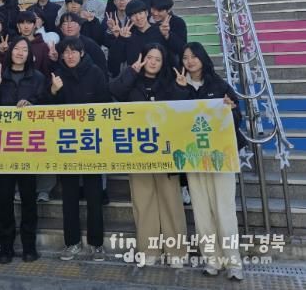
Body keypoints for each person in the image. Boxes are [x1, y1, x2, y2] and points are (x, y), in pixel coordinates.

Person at [109, 44, 188, 267]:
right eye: (149, 57)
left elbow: (182, 111)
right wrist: (131, 72)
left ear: (163, 63)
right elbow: (114, 91)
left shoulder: (170, 83)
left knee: (171, 202)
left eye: (158, 59)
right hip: (138, 152)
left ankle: (176, 252)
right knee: (143, 203)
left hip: (166, 152)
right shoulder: (131, 81)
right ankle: (148, 250)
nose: (153, 62)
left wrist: (182, 89)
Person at [176, 42, 246, 281]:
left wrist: (231, 109)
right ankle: (212, 260)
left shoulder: (219, 85)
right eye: (185, 57)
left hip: (220, 158)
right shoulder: (178, 86)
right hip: (193, 158)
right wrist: (182, 90)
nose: (189, 61)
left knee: (224, 210)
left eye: (194, 56)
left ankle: (233, 262)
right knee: (202, 211)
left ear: (203, 58)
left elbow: (236, 118)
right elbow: (174, 118)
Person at [0, 37, 46, 264]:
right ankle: (6, 247)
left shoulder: (37, 77)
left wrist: (32, 106)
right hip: (3, 146)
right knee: (4, 199)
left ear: (30, 54)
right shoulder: (0, 76)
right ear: (10, 52)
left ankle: (29, 246)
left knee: (29, 198)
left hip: (29, 146)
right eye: (17, 49)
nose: (20, 52)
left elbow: (45, 104)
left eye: (25, 49)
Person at [48, 37, 109, 262]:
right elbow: (48, 112)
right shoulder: (57, 75)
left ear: (82, 53)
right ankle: (71, 242)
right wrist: (54, 92)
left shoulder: (95, 73)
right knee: (69, 196)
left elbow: (105, 104)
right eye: (66, 52)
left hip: (91, 142)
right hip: (66, 144)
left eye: (74, 51)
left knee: (94, 195)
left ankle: (96, 244)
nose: (70, 55)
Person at [107, 0, 165, 74]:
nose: (138, 18)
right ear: (129, 18)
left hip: (159, 76)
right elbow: (114, 61)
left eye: (140, 13)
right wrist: (120, 39)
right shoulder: (128, 35)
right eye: (133, 15)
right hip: (135, 77)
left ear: (146, 13)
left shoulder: (160, 31)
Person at [54, 12, 108, 79]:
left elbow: (101, 68)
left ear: (80, 26)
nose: (69, 26)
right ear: (61, 29)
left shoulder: (90, 45)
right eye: (65, 23)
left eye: (73, 22)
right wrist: (54, 60)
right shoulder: (58, 47)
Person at [150, 0, 187, 68]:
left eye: (159, 11)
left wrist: (167, 35)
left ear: (169, 10)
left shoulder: (178, 22)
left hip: (170, 68)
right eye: (153, 9)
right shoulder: (146, 22)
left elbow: (182, 48)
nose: (155, 13)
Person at [102, 0, 131, 77]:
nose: (121, 2)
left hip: (131, 60)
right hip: (115, 61)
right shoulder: (109, 18)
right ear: (114, 1)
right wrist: (111, 31)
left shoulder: (134, 17)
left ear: (130, 0)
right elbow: (105, 42)